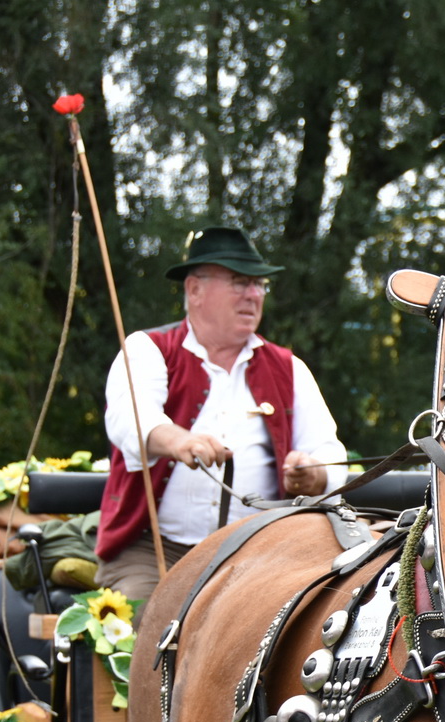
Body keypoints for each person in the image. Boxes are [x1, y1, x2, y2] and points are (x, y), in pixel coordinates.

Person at [95, 226, 348, 603]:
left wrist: (313, 473)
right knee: (143, 621)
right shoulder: (148, 349)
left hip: (261, 552)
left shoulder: (289, 368)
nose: (253, 294)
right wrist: (179, 441)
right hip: (154, 549)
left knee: (311, 617)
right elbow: (129, 420)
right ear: (195, 289)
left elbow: (328, 451)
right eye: (239, 282)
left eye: (259, 284)